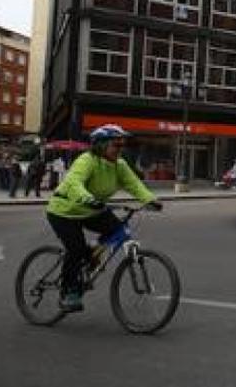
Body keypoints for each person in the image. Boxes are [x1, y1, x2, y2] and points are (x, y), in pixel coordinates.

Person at [45, 124, 163, 312]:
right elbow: (74, 182)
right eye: (115, 145)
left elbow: (134, 185)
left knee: (118, 230)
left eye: (121, 146)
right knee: (75, 251)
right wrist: (87, 198)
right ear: (100, 145)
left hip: (92, 209)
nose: (120, 149)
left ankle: (91, 251)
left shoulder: (120, 165)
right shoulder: (87, 160)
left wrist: (151, 200)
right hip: (64, 211)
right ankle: (68, 292)